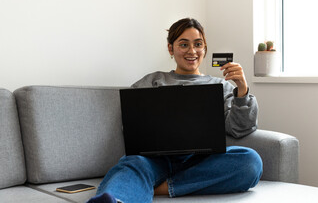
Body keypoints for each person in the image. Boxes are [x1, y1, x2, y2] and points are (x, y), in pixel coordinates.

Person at [87, 18, 262, 203]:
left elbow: (240, 128)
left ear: (205, 48)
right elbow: (132, 124)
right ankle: (116, 200)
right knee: (132, 163)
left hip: (202, 162)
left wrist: (242, 89)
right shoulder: (153, 81)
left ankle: (161, 188)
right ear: (171, 49)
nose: (192, 51)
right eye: (184, 44)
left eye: (198, 44)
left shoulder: (220, 86)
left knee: (251, 161)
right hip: (155, 160)